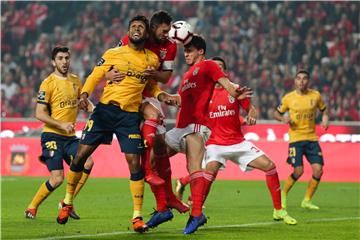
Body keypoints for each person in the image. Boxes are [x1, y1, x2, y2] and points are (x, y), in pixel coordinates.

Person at [56, 16, 179, 233]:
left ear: (146, 33)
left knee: (134, 163)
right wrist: (84, 94)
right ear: (128, 31)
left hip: (129, 116)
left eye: (140, 27)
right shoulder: (113, 53)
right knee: (80, 156)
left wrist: (162, 96)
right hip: (105, 110)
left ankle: (137, 217)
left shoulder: (151, 59)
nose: (137, 29)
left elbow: (150, 86)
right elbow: (96, 74)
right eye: (133, 26)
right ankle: (67, 202)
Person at [176, 56, 297, 228]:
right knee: (209, 173)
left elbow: (250, 108)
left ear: (223, 72)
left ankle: (278, 210)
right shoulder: (202, 92)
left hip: (238, 143)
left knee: (270, 166)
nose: (215, 70)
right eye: (213, 67)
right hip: (215, 144)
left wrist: (251, 114)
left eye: (219, 67)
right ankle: (196, 212)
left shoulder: (234, 89)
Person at [161, 35, 253, 234]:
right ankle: (166, 201)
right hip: (180, 127)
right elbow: (181, 100)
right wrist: (165, 97)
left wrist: (235, 93)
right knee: (154, 158)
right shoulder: (187, 76)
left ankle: (195, 213)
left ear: (200, 51)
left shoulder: (209, 65)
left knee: (196, 168)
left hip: (197, 126)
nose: (185, 54)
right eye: (184, 51)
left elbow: (228, 86)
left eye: (190, 51)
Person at [108, 10, 189, 218]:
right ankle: (158, 200)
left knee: (160, 145)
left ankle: (168, 199)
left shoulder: (170, 46)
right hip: (129, 95)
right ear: (153, 28)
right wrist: (107, 73)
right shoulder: (134, 39)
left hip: (150, 93)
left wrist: (155, 74)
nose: (167, 34)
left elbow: (166, 78)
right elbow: (110, 61)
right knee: (145, 151)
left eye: (169, 31)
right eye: (164, 30)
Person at [24, 46, 94, 220]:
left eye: (67, 58)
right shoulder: (47, 83)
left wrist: (95, 110)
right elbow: (39, 113)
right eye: (60, 58)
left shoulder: (76, 81)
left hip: (69, 138)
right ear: (53, 62)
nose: (64, 62)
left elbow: (83, 102)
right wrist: (61, 125)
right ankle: (32, 207)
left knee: (88, 163)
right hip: (52, 136)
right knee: (57, 179)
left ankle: (67, 203)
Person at [274, 69, 329, 210]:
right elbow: (276, 113)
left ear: (308, 81)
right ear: (295, 81)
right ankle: (283, 195)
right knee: (298, 171)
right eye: (298, 78)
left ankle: (307, 200)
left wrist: (325, 119)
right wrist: (283, 118)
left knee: (318, 170)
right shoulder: (288, 98)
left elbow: (324, 110)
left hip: (311, 138)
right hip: (296, 139)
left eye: (304, 78)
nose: (301, 81)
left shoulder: (315, 96)